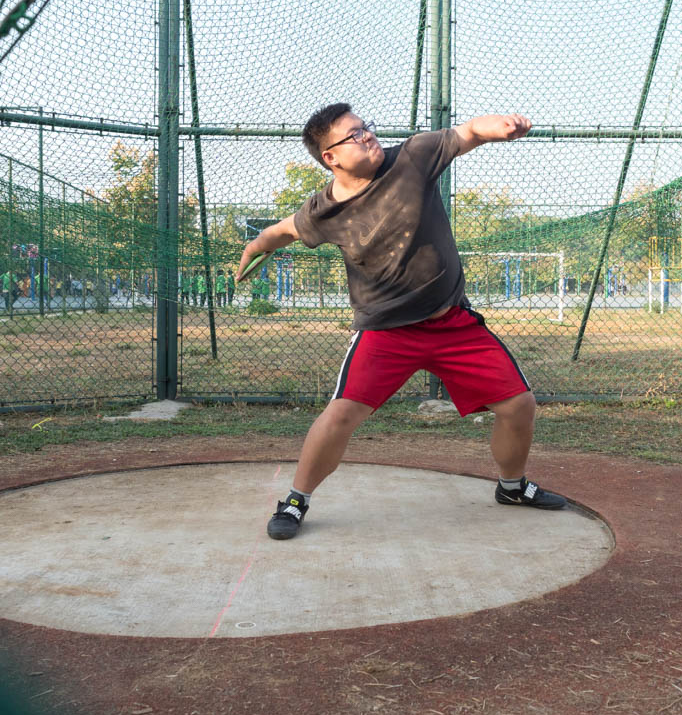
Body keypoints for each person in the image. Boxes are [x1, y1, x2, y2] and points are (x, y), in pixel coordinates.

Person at [238, 103, 565, 541]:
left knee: (519, 405)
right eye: (352, 135)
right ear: (330, 157)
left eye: (365, 128)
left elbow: (468, 132)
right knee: (341, 415)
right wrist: (256, 246)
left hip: (452, 322)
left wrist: (501, 126)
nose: (367, 136)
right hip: (386, 331)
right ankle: (296, 500)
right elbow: (284, 230)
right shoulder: (323, 211)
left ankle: (511, 487)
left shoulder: (412, 157)